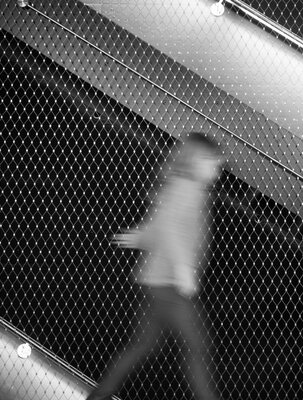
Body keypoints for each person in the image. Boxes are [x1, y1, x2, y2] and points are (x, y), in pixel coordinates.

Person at [87, 132, 224, 400]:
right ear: (197, 161)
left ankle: (98, 395)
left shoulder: (178, 185)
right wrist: (184, 268)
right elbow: (170, 228)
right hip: (168, 283)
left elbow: (160, 226)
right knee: (197, 346)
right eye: (214, 164)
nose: (217, 173)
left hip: (154, 282)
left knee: (141, 346)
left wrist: (139, 237)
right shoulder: (189, 189)